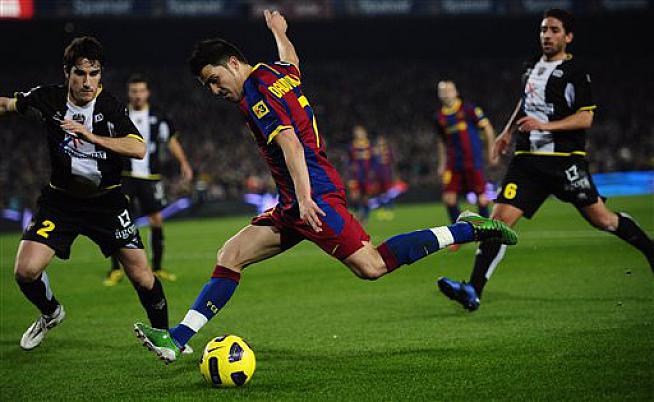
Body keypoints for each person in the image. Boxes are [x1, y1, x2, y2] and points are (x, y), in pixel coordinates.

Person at [133, 10, 518, 363]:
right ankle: (178, 338)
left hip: (313, 195)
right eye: (207, 86)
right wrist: (280, 33)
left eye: (214, 80)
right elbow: (293, 61)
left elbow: (290, 144)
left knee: (372, 266)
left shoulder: (255, 95)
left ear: (233, 63)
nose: (214, 91)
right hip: (294, 201)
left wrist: (304, 199)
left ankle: (467, 229)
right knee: (231, 254)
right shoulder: (274, 73)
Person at [438, 9, 654, 312]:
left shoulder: (576, 72)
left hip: (564, 161)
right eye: (543, 30)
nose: (547, 36)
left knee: (603, 220)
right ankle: (473, 290)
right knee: (497, 224)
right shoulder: (531, 66)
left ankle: (650, 252)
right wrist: (506, 132)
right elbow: (525, 101)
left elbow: (585, 118)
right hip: (527, 162)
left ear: (568, 36)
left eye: (554, 30)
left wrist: (545, 126)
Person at [0, 36, 170, 350]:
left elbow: (138, 148)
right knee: (25, 271)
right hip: (60, 202)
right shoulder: (48, 98)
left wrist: (91, 136)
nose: (87, 82)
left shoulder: (110, 106)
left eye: (94, 73)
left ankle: (165, 336)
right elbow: (8, 105)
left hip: (107, 202)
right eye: (80, 73)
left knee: (142, 277)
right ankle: (51, 312)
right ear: (67, 73)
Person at [104, 74, 193, 286]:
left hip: (151, 177)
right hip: (124, 176)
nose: (137, 95)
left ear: (147, 93)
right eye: (134, 91)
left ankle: (158, 267)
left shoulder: (158, 116)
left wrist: (184, 163)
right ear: (129, 93)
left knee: (156, 220)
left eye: (141, 91)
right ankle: (116, 269)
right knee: (119, 221)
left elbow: (171, 141)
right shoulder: (119, 115)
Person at [435, 80, 496, 225]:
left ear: (456, 92)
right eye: (443, 91)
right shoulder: (439, 117)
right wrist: (442, 164)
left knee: (482, 198)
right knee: (449, 198)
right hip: (453, 163)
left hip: (472, 161)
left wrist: (491, 151)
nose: (446, 94)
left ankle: (486, 230)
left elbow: (487, 128)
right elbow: (441, 141)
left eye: (449, 90)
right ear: (439, 95)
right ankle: (459, 231)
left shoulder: (469, 110)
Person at [347, 125, 374, 222]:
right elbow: (349, 160)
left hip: (366, 175)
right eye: (357, 132)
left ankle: (366, 216)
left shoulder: (369, 145)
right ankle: (358, 214)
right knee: (355, 196)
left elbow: (373, 160)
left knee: (366, 197)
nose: (359, 134)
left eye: (360, 132)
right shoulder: (352, 146)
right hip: (356, 175)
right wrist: (350, 169)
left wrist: (372, 171)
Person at [372, 135, 395, 220]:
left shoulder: (388, 151)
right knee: (379, 194)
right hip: (378, 176)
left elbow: (391, 162)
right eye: (379, 142)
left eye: (382, 142)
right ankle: (381, 210)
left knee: (388, 193)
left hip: (387, 175)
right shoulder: (374, 152)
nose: (380, 144)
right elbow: (373, 163)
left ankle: (389, 210)